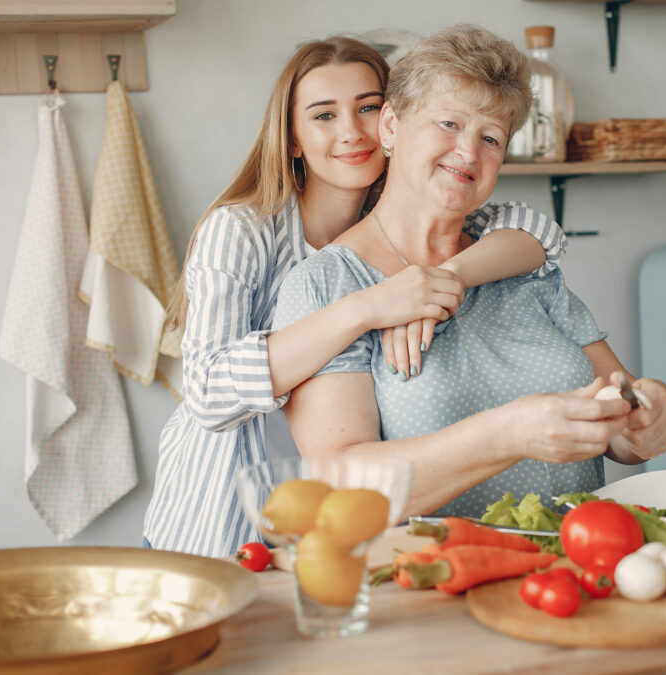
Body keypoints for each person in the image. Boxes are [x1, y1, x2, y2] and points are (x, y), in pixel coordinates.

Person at [144, 36, 567, 556]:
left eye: (367, 107)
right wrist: (368, 306)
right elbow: (207, 392)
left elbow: (538, 234)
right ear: (293, 138)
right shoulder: (243, 229)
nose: (352, 132)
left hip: (331, 527)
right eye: (324, 116)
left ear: (393, 119)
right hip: (222, 516)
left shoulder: (404, 216)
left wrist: (445, 278)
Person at [273, 25, 666, 519]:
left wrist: (648, 417)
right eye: (448, 123)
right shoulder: (327, 285)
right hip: (433, 578)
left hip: (575, 566)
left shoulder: (524, 267)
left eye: (491, 137)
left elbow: (621, 425)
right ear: (391, 127)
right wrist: (507, 436)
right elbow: (345, 484)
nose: (469, 152)